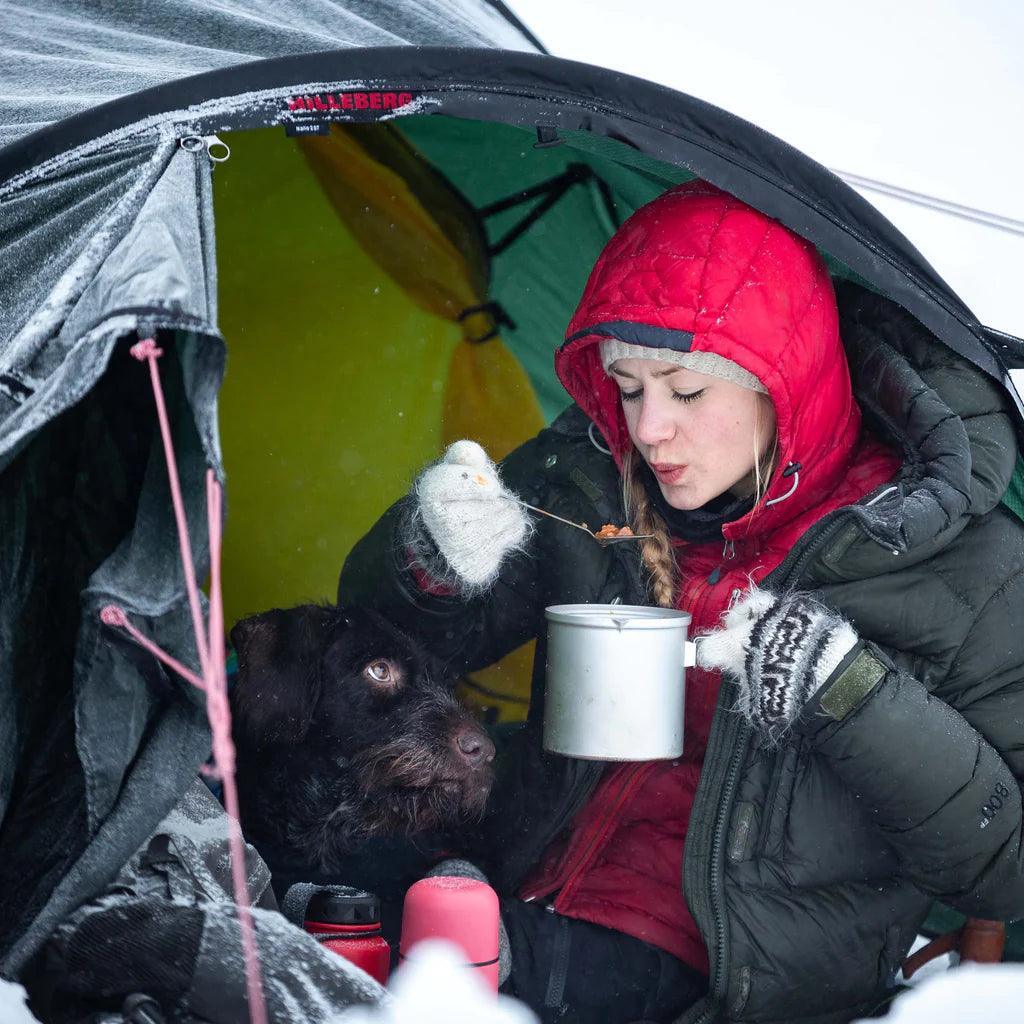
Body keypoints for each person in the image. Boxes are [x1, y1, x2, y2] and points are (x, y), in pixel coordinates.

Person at [339, 181, 1024, 1023]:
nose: (650, 428)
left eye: (686, 391)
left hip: (730, 966)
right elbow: (385, 642)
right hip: (513, 860)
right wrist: (434, 559)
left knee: (430, 964)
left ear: (788, 384)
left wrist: (852, 694)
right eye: (627, 388)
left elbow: (1005, 866)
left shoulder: (959, 559)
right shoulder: (591, 474)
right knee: (315, 901)